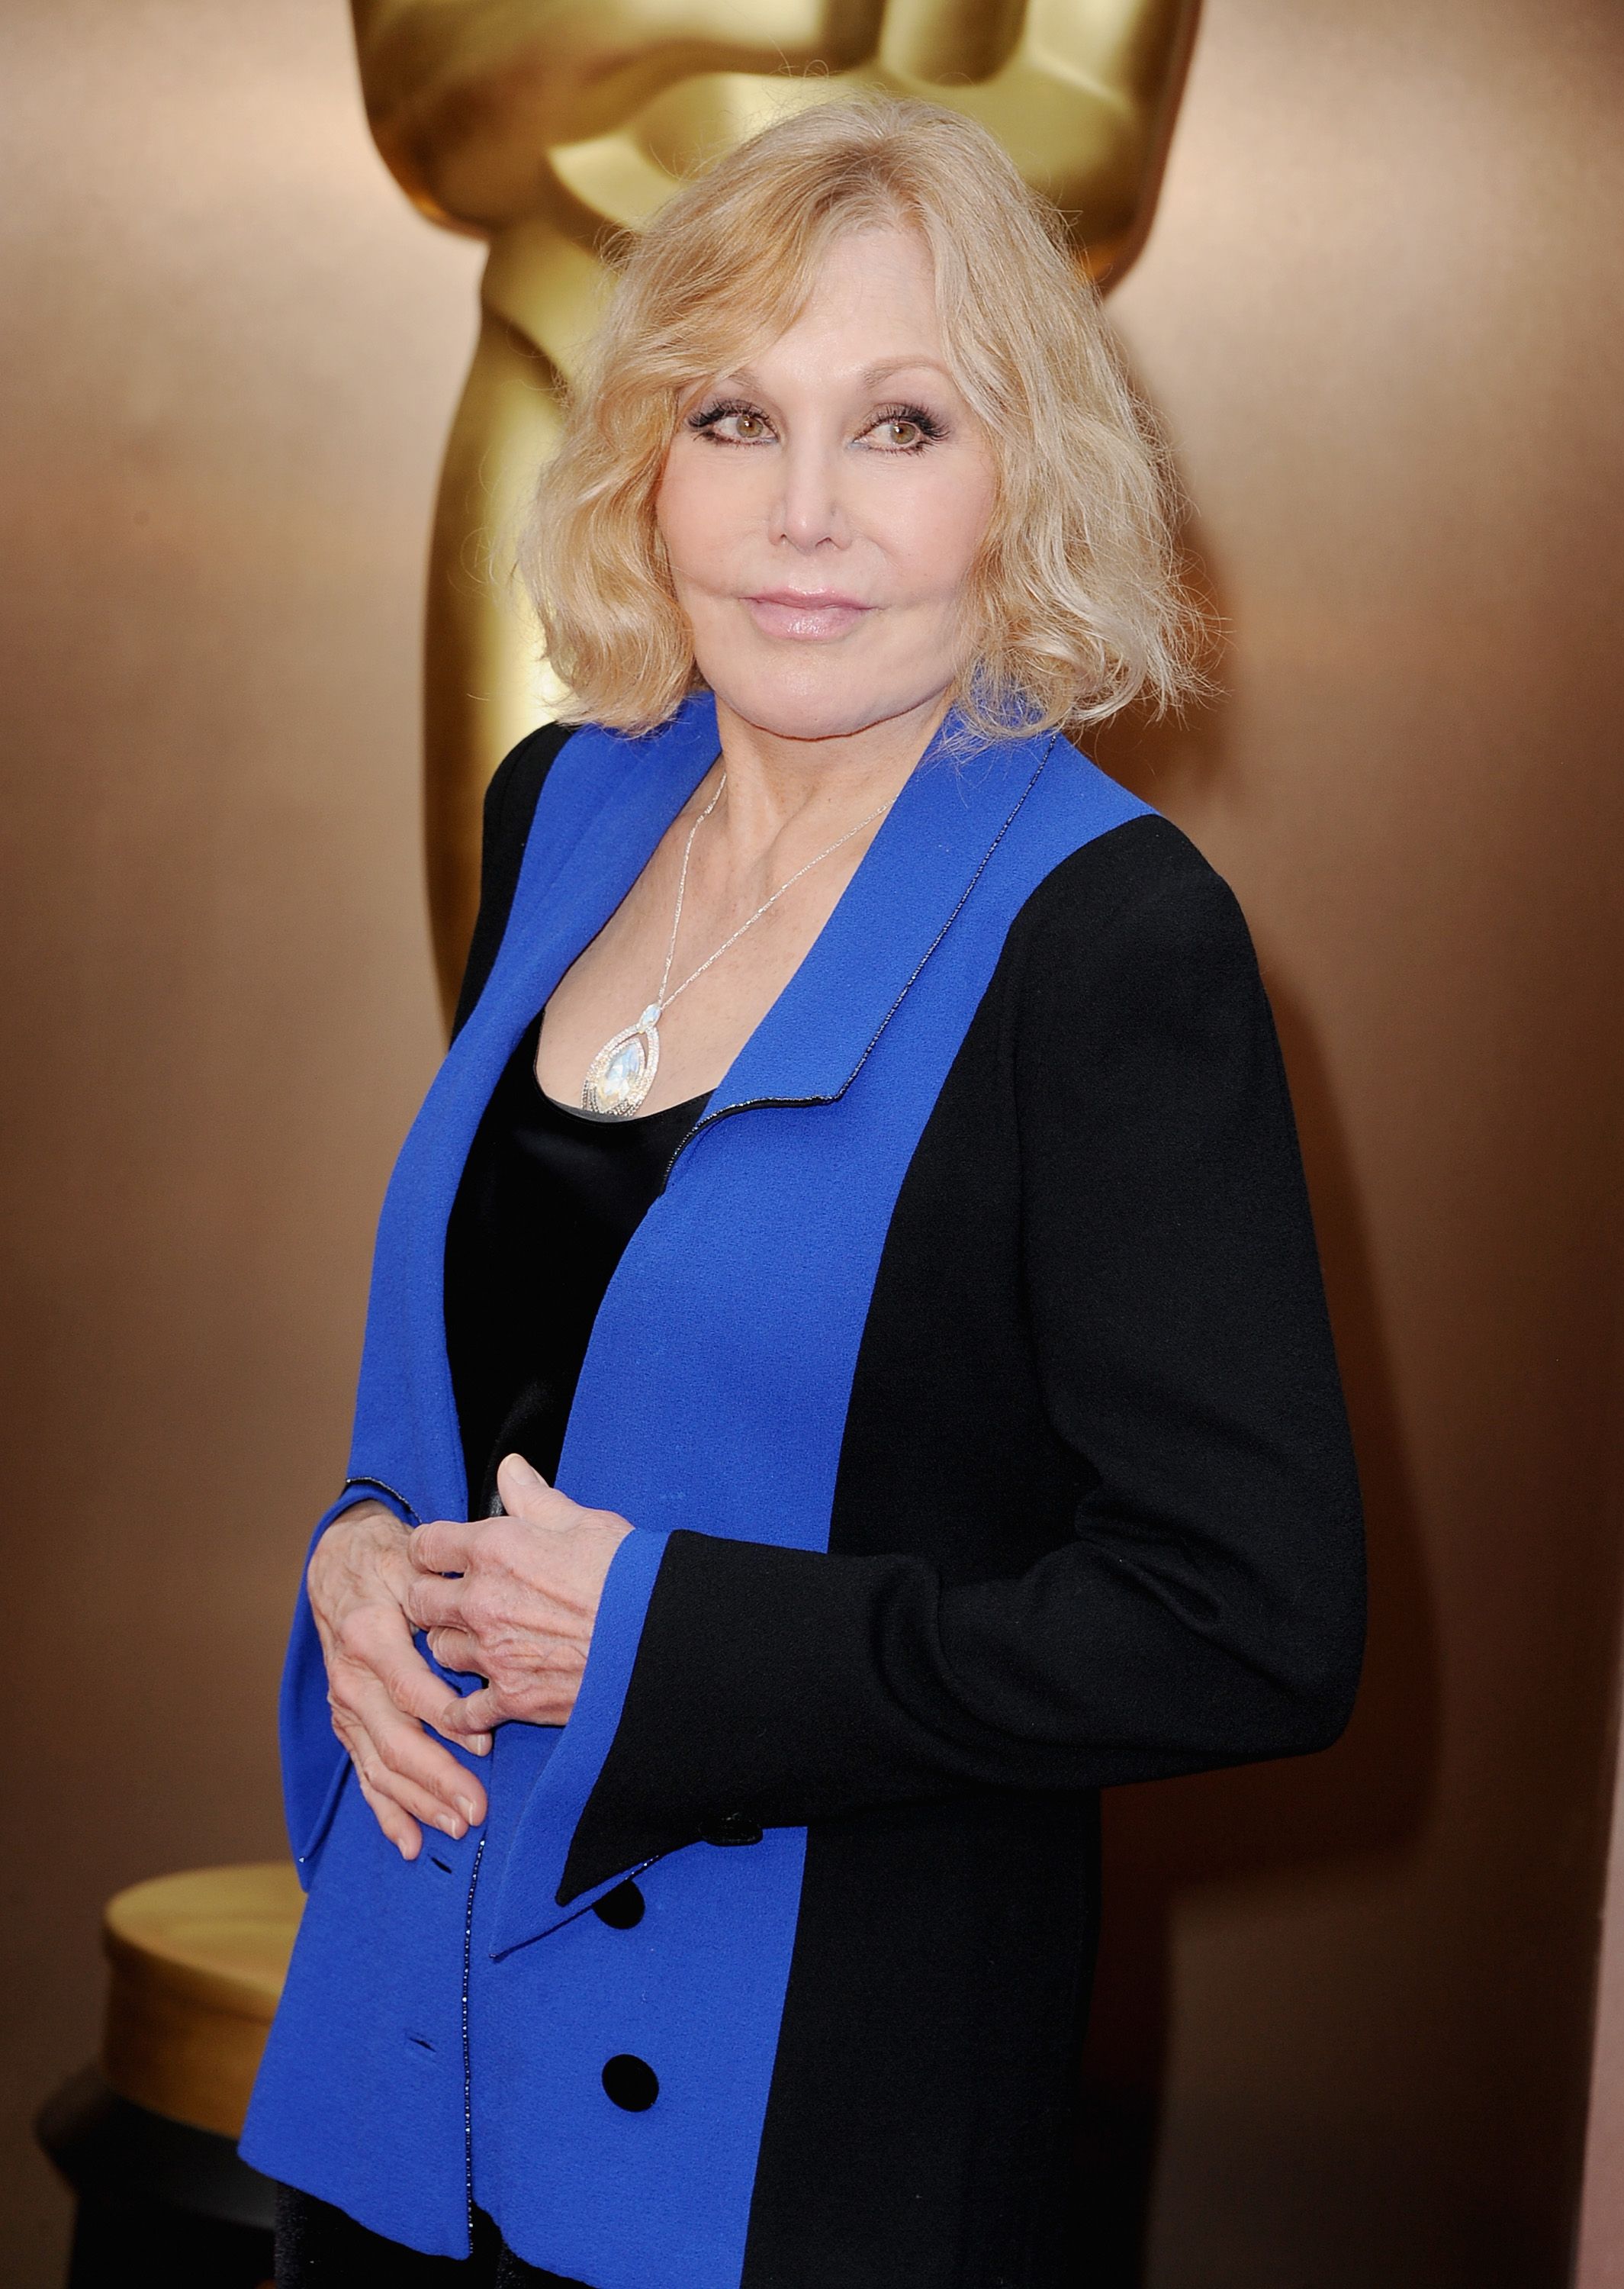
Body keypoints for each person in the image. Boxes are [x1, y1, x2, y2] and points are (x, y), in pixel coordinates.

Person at [242, 95, 1365, 2289]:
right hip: (415, 2053)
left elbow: (1247, 1628)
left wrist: (670, 1638)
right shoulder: (562, 809)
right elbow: (507, 1374)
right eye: (737, 416)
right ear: (645, 462)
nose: (805, 516)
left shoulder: (1110, 937)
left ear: (1019, 484)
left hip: (796, 2152)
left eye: (904, 424)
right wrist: (365, 1553)